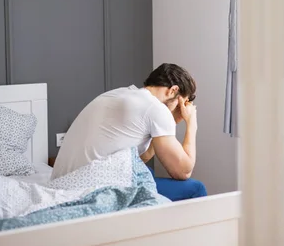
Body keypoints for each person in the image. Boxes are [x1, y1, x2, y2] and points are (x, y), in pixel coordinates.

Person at [50, 63, 206, 201]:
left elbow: (136, 161)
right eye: (181, 103)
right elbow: (183, 171)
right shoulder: (156, 109)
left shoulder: (120, 94)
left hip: (62, 183)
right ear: (173, 90)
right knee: (196, 188)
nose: (181, 110)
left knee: (148, 172)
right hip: (90, 188)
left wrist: (170, 122)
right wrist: (192, 124)